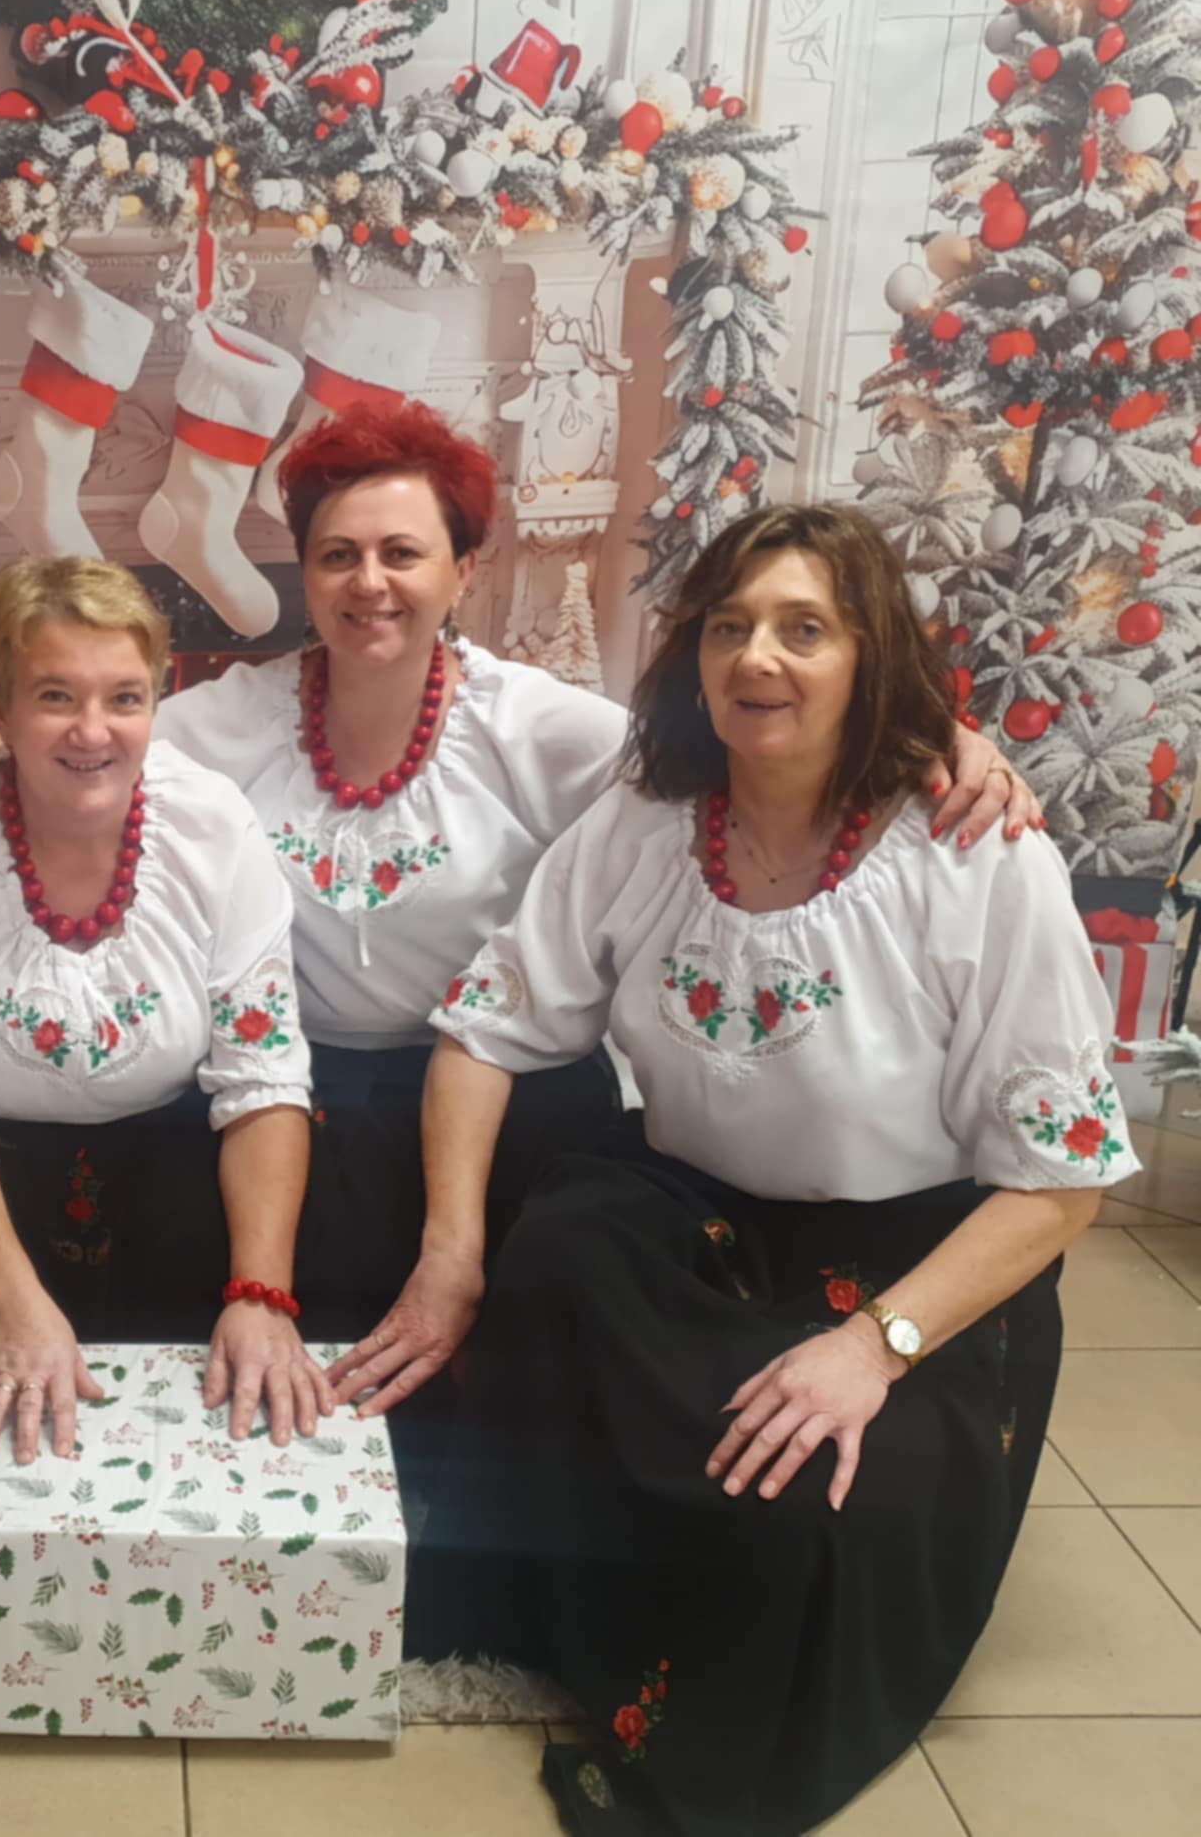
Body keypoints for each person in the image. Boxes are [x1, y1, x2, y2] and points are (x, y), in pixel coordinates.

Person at [0, 404, 1042, 1414]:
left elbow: (734, 742)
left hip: (494, 1095)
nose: (367, 582)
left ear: (461, 570)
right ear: (304, 571)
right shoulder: (229, 721)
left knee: (522, 1327)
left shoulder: (542, 729)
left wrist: (937, 736)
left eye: (401, 552)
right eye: (336, 555)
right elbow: (91, 735)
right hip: (305, 1090)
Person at [422, 502, 1130, 1835]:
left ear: (869, 658)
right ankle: (560, 1611)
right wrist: (449, 1257)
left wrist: (872, 1346)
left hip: (914, 1271)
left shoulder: (978, 856)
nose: (757, 657)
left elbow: (1063, 1184)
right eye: (730, 626)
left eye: (805, 629)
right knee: (553, 1259)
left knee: (802, 1497)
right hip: (692, 1224)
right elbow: (482, 1031)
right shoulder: (644, 823)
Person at [0, 557, 324, 1465]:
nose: (92, 731)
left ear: (157, 700)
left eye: (124, 698)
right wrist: (15, 1305)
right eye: (54, 696)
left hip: (180, 1185)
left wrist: (259, 1294)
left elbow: (263, 1076)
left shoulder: (213, 825)